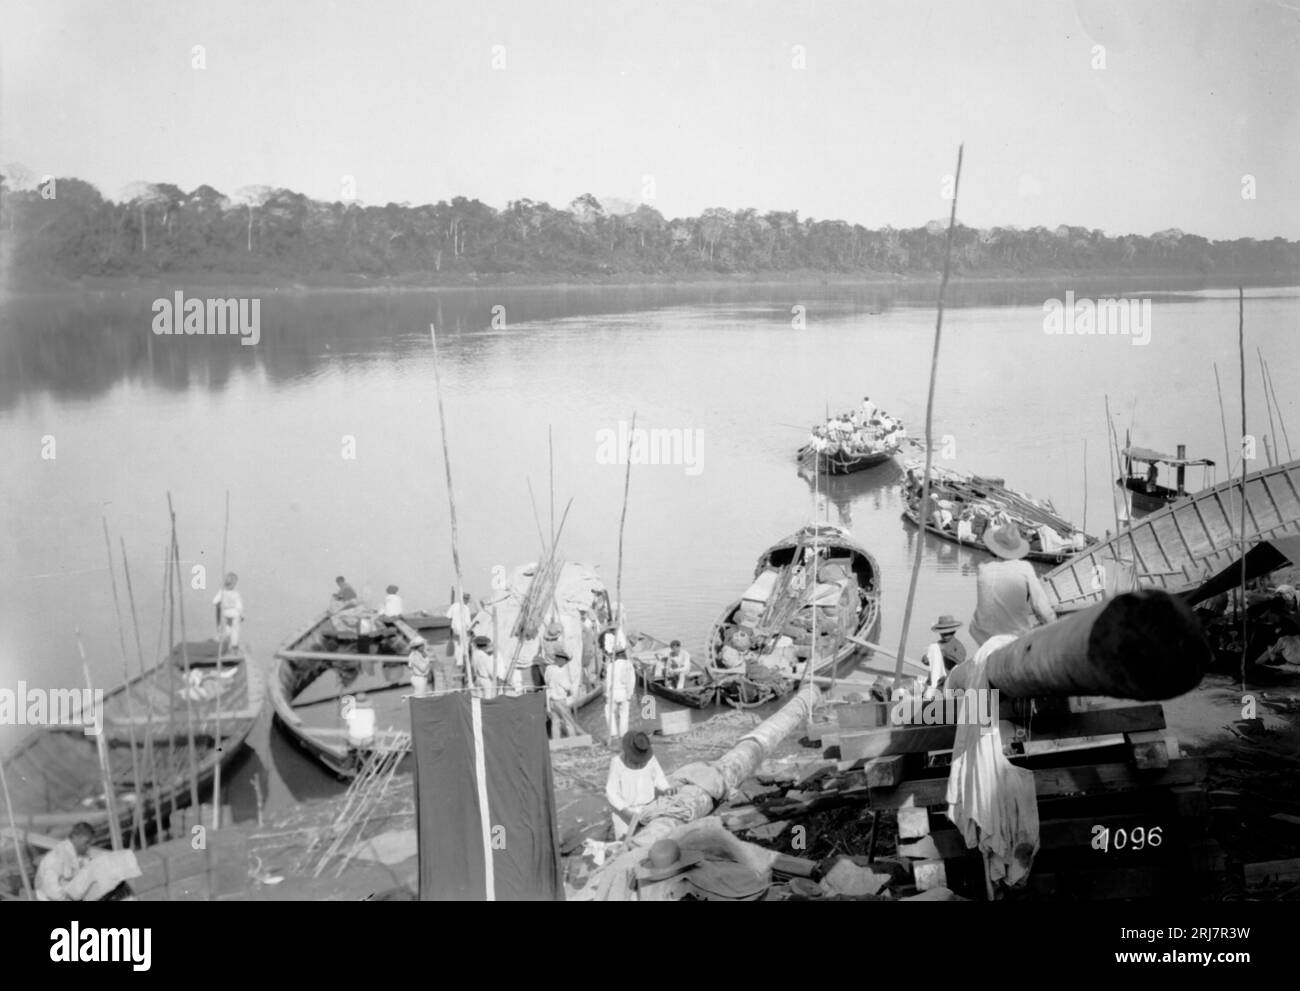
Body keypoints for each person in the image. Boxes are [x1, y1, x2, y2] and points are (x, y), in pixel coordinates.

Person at [969, 524, 1056, 645]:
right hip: (1014, 636)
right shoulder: (1025, 568)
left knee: (974, 624)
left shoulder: (983, 567)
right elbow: (1041, 607)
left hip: (983, 636)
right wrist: (1054, 625)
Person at [604, 732, 674, 840]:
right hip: (625, 813)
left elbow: (659, 777)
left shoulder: (650, 759)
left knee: (647, 842)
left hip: (647, 809)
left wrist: (666, 788)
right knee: (626, 844)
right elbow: (611, 792)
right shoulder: (617, 763)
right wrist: (625, 811)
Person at [924, 615, 967, 690]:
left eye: (947, 633)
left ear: (953, 632)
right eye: (943, 633)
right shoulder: (937, 645)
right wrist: (926, 659)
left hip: (950, 683)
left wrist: (944, 651)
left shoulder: (957, 645)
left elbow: (960, 660)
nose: (945, 635)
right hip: (936, 683)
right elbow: (931, 662)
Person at [545, 650, 582, 738]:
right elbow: (567, 686)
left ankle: (556, 741)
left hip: (551, 701)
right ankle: (573, 739)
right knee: (569, 721)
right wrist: (571, 691)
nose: (565, 663)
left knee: (555, 722)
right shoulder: (560, 671)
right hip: (560, 700)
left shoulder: (549, 669)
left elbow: (546, 681)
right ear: (561, 660)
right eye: (565, 661)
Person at [605, 645, 637, 743]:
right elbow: (632, 681)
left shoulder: (611, 666)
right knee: (624, 714)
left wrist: (606, 694)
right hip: (624, 692)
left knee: (609, 711)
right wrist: (630, 694)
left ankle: (613, 734)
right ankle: (623, 735)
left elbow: (608, 682)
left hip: (614, 692)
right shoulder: (629, 665)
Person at [211, 572, 244, 650]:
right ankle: (234, 644)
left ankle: (224, 640)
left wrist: (219, 604)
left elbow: (214, 601)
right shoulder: (236, 594)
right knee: (235, 628)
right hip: (235, 613)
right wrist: (242, 615)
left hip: (225, 612)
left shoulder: (221, 592)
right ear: (234, 584)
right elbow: (239, 606)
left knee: (227, 627)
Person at [445, 592, 473, 668]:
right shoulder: (466, 608)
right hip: (462, 629)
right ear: (465, 599)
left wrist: (451, 628)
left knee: (457, 644)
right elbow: (468, 622)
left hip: (455, 629)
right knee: (463, 646)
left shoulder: (454, 605)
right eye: (467, 599)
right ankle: (460, 663)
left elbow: (448, 617)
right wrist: (470, 629)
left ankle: (457, 660)